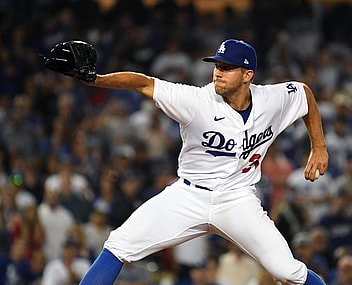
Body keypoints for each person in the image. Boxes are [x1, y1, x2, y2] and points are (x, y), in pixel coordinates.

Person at [51, 39, 329, 285]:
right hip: (188, 195)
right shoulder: (196, 101)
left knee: (287, 271)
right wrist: (95, 80)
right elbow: (143, 83)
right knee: (119, 245)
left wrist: (318, 146)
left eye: (227, 67)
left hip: (237, 199)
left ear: (248, 75)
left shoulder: (271, 99)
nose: (218, 72)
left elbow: (304, 94)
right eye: (217, 65)